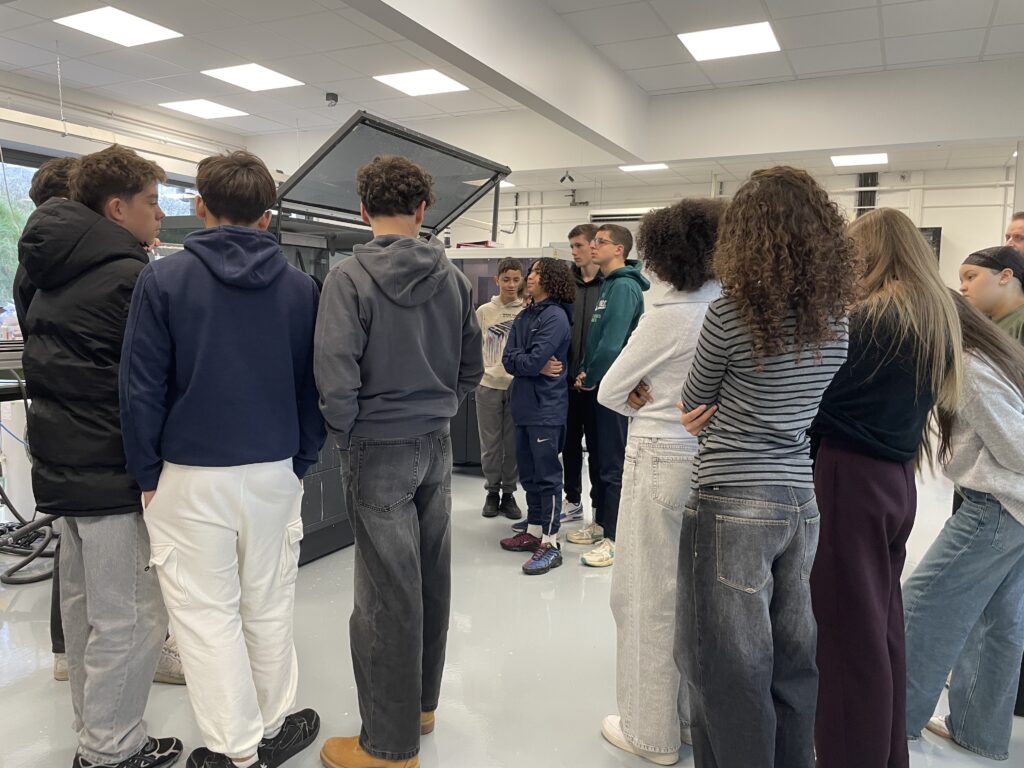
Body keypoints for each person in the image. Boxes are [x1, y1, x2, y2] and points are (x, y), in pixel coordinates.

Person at [120, 151, 326, 768]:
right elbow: (314, 385)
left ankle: (235, 751)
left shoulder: (163, 280)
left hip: (188, 476)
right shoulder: (301, 288)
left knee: (205, 617)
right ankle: (272, 727)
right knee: (268, 604)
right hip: (273, 470)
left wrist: (147, 473)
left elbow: (140, 388)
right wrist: (301, 459)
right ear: (268, 215)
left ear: (200, 206)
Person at [677, 166, 857, 768]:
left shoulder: (730, 314)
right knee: (793, 659)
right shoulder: (836, 319)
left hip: (731, 495)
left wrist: (718, 412)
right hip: (799, 497)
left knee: (727, 663)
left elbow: (694, 403)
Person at [16, 144, 182, 768]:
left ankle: (98, 733)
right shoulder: (129, 279)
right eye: (151, 202)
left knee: (86, 611)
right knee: (132, 616)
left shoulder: (44, 271)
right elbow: (155, 381)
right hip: (113, 470)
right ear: (116, 208)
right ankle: (111, 751)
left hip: (63, 468)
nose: (159, 214)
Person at [315, 155, 483, 768]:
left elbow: (334, 374)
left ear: (362, 210)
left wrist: (349, 433)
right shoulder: (456, 281)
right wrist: (440, 408)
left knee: (386, 593)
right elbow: (471, 367)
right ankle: (420, 707)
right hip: (435, 440)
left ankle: (387, 747)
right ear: (422, 209)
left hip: (377, 445)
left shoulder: (347, 278)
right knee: (431, 576)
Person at [808, 208, 962, 768]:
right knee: (880, 624)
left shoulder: (870, 320)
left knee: (845, 635)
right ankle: (884, 751)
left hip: (848, 477)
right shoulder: (931, 315)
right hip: (894, 480)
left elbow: (814, 400)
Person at [596, 199, 724, 765]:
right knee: (696, 597)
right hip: (713, 460)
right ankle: (689, 720)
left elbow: (610, 389)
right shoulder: (731, 309)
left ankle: (650, 732)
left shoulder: (668, 315)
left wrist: (637, 394)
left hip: (658, 455)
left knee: (645, 595)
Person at [903, 292, 1024, 761]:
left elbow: (1016, 446)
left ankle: (898, 717)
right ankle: (979, 732)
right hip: (1011, 509)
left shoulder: (968, 367)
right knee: (1000, 622)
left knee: (920, 605)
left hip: (994, 507)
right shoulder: (993, 355)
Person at [568, 224, 649, 568]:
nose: (592, 246)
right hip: (597, 387)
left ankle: (614, 539)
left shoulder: (625, 287)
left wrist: (590, 375)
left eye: (600, 242)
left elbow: (613, 344)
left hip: (612, 390)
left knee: (612, 465)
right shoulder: (608, 285)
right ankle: (601, 524)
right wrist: (585, 371)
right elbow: (596, 340)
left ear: (619, 249)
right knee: (599, 461)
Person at [497, 258, 574, 574]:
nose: (530, 276)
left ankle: (551, 543)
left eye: (537, 272)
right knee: (528, 475)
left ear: (551, 279)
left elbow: (532, 360)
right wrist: (530, 363)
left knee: (547, 476)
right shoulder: (525, 315)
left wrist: (529, 363)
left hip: (546, 409)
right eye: (531, 272)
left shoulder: (555, 317)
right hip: (524, 407)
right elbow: (509, 359)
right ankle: (534, 531)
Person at [475, 257, 525, 520]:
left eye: (516, 279)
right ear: (497, 280)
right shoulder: (484, 311)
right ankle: (492, 492)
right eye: (506, 279)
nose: (511, 284)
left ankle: (509, 493)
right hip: (488, 386)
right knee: (490, 445)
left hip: (517, 386)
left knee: (512, 444)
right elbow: (473, 346)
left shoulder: (526, 311)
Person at [563, 223, 603, 524]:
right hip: (566, 381)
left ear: (593, 246)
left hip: (599, 384)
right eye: (572, 247)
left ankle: (600, 506)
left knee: (600, 449)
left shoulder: (610, 285)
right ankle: (572, 500)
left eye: (579, 245)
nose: (574, 252)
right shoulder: (567, 286)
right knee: (569, 446)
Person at [959, 244, 1024, 343]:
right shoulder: (978, 325)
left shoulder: (1020, 323)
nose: (962, 288)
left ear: (1005, 276)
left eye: (970, 277)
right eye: (962, 281)